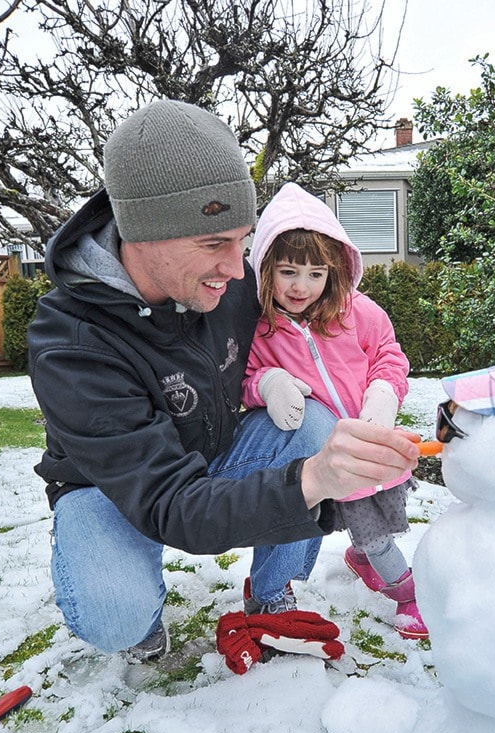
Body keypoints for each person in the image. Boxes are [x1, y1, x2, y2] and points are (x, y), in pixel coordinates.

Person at [27, 100, 419, 661]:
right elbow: (170, 502)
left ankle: (271, 593)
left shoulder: (227, 282)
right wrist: (313, 480)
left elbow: (336, 321)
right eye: (214, 244)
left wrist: (376, 388)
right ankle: (125, 595)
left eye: (244, 239)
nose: (239, 271)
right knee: (114, 615)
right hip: (117, 487)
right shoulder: (71, 342)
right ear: (142, 235)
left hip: (217, 448)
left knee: (314, 423)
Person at [242, 182, 428, 640]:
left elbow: (388, 353)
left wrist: (384, 394)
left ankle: (360, 561)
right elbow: (241, 381)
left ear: (334, 270)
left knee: (380, 515)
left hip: (374, 443)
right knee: (372, 532)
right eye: (288, 272)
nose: (301, 287)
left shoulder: (357, 312)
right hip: (325, 458)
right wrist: (267, 384)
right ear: (265, 267)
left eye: (315, 274)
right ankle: (408, 595)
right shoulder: (260, 330)